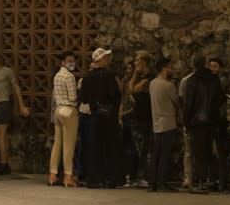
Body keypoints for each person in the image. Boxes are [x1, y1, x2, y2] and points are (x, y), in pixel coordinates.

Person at [78, 48, 122, 188]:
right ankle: (111, 179)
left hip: (94, 115)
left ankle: (94, 179)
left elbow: (83, 99)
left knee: (95, 147)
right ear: (101, 60)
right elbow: (116, 95)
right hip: (109, 115)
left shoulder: (87, 78)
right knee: (111, 147)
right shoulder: (110, 76)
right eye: (106, 57)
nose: (108, 60)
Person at [183, 55, 224, 194]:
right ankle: (211, 180)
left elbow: (189, 104)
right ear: (205, 64)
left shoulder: (192, 81)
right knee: (210, 151)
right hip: (211, 121)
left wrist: (185, 122)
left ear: (193, 65)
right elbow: (220, 99)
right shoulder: (214, 79)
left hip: (196, 122)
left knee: (198, 153)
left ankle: (201, 181)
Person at [0, 50, 30, 175]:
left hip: (4, 104)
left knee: (0, 136)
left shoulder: (7, 71)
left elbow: (16, 87)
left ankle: (4, 163)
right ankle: (3, 162)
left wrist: (21, 105)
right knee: (0, 136)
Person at [148, 57, 181, 192]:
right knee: (165, 155)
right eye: (169, 67)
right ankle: (162, 183)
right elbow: (177, 102)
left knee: (156, 154)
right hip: (168, 122)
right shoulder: (168, 85)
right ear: (163, 68)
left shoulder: (152, 84)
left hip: (156, 122)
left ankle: (153, 183)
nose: (171, 70)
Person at [123, 51, 153, 188]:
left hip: (145, 117)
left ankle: (142, 176)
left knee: (143, 148)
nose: (135, 63)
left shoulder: (149, 78)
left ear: (144, 62)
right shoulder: (139, 76)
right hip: (135, 116)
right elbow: (129, 89)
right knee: (134, 148)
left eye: (137, 60)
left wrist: (135, 74)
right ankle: (134, 175)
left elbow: (133, 90)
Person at [49, 51, 79, 187]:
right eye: (69, 60)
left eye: (73, 60)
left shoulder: (57, 76)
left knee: (57, 144)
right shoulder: (70, 76)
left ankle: (52, 174)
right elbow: (73, 97)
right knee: (69, 146)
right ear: (62, 62)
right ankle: (68, 176)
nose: (72, 63)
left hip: (58, 110)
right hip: (68, 110)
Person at [208, 57, 230, 192]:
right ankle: (215, 180)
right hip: (212, 120)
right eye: (211, 66)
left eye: (215, 66)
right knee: (213, 152)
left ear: (220, 68)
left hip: (219, 120)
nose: (212, 69)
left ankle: (220, 181)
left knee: (220, 152)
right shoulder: (212, 82)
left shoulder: (220, 81)